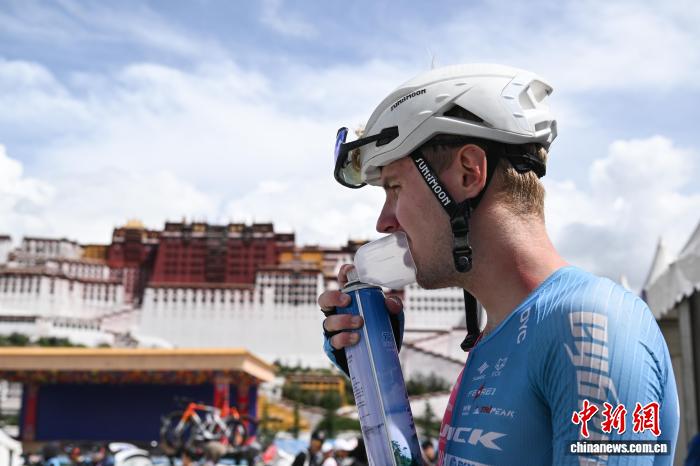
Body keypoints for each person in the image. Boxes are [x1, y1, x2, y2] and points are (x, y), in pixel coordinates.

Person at [318, 64, 680, 465]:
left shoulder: (589, 326)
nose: (384, 222)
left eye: (395, 188)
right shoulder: (494, 339)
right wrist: (376, 375)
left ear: (468, 173)